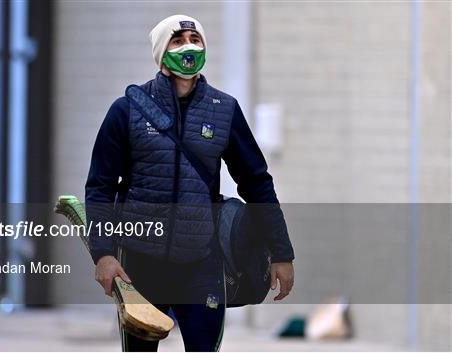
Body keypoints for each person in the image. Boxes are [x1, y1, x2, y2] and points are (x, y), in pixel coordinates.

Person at [85, 14, 295, 352]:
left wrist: (282, 253)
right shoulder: (126, 111)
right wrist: (104, 254)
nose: (189, 48)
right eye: (178, 40)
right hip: (141, 265)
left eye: (195, 41)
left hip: (202, 265)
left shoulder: (224, 110)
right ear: (160, 51)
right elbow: (100, 186)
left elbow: (257, 183)